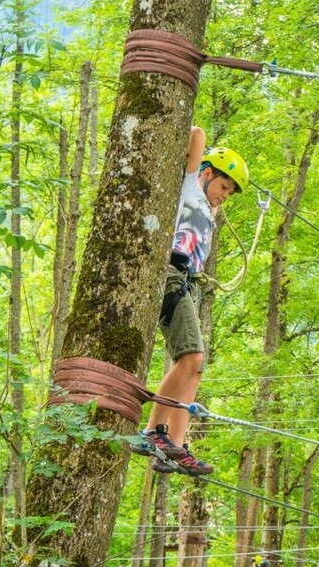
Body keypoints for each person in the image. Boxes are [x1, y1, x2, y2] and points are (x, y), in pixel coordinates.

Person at [132, 126, 249, 474]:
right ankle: (153, 430)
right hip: (171, 276)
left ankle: (176, 447)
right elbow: (196, 133)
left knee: (195, 367)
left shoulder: (209, 213)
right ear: (208, 174)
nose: (225, 195)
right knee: (191, 356)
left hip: (188, 283)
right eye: (224, 186)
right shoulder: (189, 188)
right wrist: (204, 158)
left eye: (230, 193)